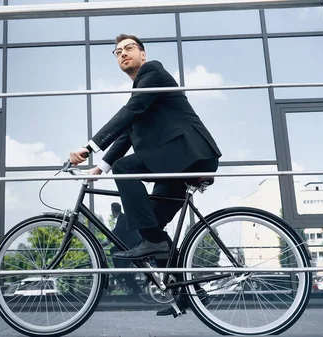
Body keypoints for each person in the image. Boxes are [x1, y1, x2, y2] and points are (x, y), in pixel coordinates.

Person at [68, 34, 221, 316]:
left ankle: (155, 246)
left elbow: (129, 113)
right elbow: (128, 130)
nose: (123, 54)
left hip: (188, 154)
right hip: (176, 162)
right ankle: (188, 292)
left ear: (143, 54)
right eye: (117, 52)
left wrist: (89, 147)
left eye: (129, 48)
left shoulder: (153, 73)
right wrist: (100, 167)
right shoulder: (141, 93)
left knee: (127, 169)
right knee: (150, 226)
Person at [105, 202, 143, 295]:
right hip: (129, 245)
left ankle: (120, 272)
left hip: (131, 245)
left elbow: (116, 231)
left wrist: (106, 242)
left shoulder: (122, 218)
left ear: (113, 210)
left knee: (121, 264)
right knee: (113, 250)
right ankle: (119, 270)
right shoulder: (122, 218)